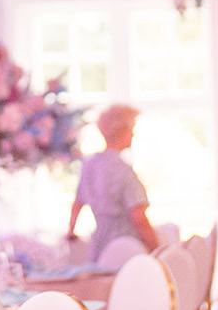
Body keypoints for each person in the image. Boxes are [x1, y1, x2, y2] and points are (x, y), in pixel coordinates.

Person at [67, 104, 160, 263]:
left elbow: (78, 202)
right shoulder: (124, 171)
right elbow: (139, 218)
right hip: (126, 249)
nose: (133, 134)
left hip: (99, 246)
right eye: (132, 129)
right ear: (123, 131)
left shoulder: (90, 165)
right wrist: (157, 251)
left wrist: (71, 230)